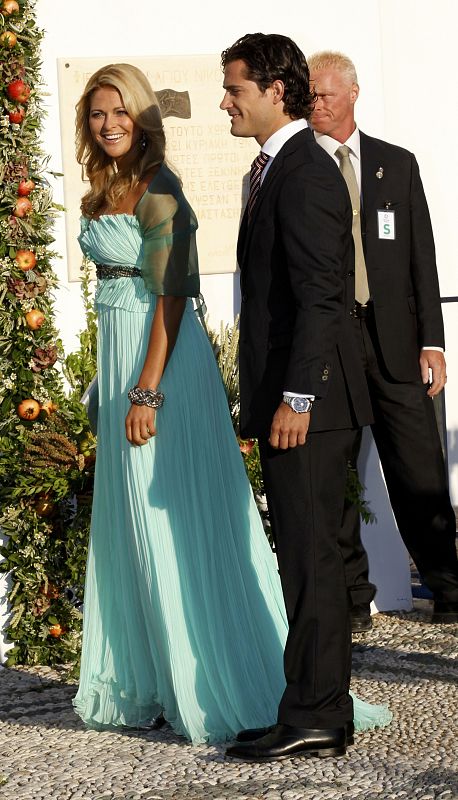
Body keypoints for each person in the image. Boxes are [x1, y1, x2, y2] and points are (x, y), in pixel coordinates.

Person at [71, 62, 390, 748]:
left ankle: (212, 677)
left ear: (143, 116)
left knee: (178, 526)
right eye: (98, 114)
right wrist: (110, 381)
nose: (109, 124)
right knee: (133, 528)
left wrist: (147, 388)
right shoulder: (103, 187)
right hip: (119, 357)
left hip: (162, 371)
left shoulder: (160, 189)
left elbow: (173, 297)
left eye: (120, 111)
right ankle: (154, 676)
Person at [219, 34, 390, 762]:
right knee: (303, 559)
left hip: (310, 408)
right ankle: (310, 708)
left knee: (314, 561)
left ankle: (318, 714)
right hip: (295, 404)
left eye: (235, 90)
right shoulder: (277, 168)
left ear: (275, 90)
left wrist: (297, 398)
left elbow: (323, 299)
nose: (225, 102)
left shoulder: (306, 172)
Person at [307, 50, 458, 629]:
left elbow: (423, 255)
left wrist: (434, 342)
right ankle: (351, 598)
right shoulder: (299, 168)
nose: (316, 105)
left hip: (394, 340)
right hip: (331, 341)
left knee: (419, 468)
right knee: (337, 474)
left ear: (352, 93)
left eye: (324, 94)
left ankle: (447, 588)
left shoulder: (396, 164)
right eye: (309, 96)